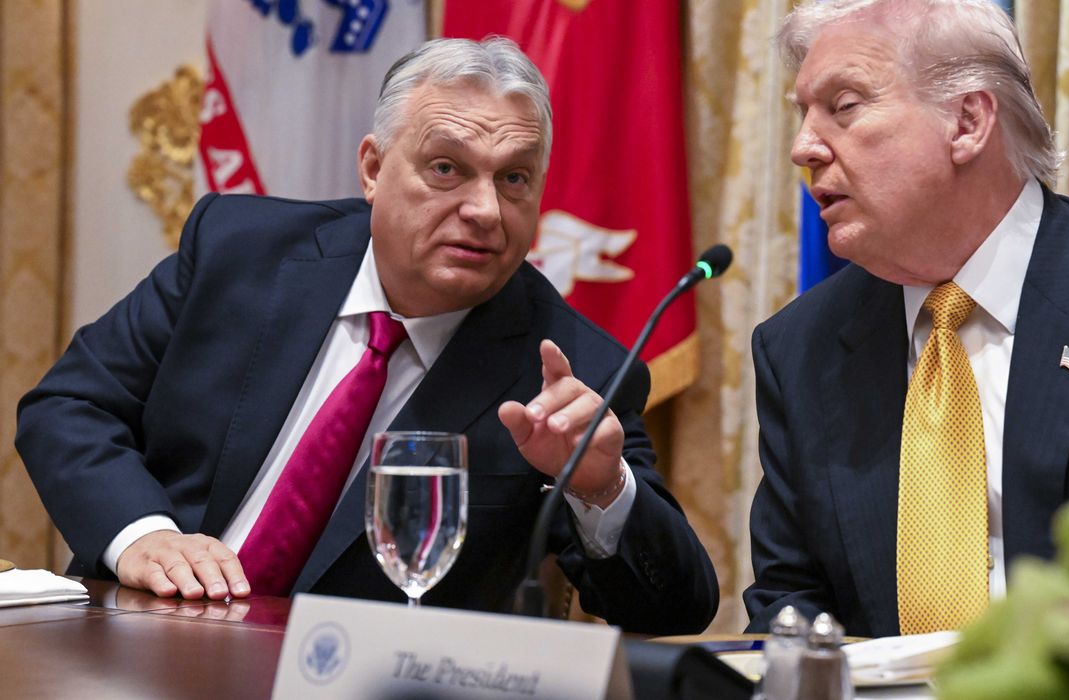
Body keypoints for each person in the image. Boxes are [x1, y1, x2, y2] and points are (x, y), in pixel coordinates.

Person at [16, 37, 717, 635]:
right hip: (139, 640)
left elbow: (673, 607)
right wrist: (145, 538)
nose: (483, 210)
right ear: (375, 168)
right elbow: (69, 406)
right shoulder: (241, 250)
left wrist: (599, 487)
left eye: (514, 179)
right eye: (446, 168)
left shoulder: (568, 370)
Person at [745, 0, 1069, 638]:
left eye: (844, 107)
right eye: (803, 115)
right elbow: (791, 600)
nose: (803, 149)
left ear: (967, 121)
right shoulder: (798, 348)